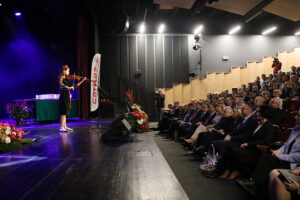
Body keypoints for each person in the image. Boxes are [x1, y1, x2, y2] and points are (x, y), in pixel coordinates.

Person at [58, 65, 86, 132]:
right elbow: (62, 85)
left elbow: (75, 86)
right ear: (64, 71)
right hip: (63, 96)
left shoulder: (67, 79)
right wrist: (70, 88)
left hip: (67, 96)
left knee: (66, 111)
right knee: (63, 112)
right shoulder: (60, 78)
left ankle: (65, 126)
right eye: (68, 71)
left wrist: (82, 81)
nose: (69, 72)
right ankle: (61, 127)